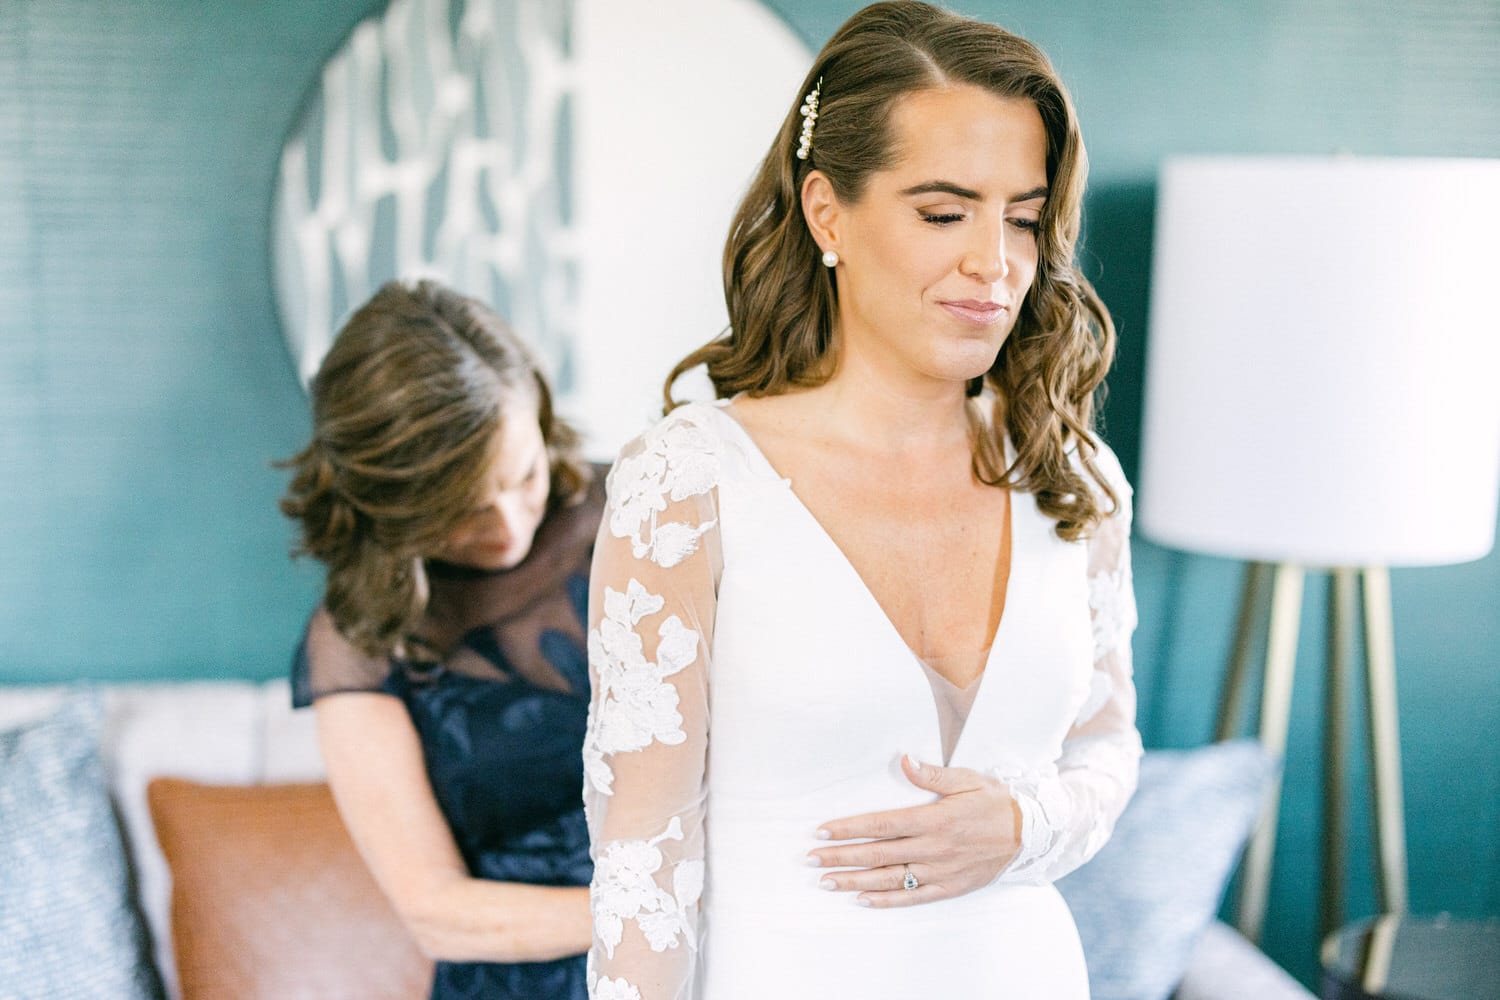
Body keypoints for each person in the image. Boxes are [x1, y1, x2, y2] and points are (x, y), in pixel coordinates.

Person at [580, 2, 1142, 997]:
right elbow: (643, 866)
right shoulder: (690, 482)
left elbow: (1105, 746)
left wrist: (1027, 823)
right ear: (826, 211)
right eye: (943, 212)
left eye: (1022, 215)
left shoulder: (1076, 475)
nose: (995, 262)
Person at [281, 279, 599, 999]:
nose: (507, 526)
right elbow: (439, 914)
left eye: (523, 476)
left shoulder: (647, 512)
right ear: (389, 501)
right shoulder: (356, 638)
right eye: (459, 511)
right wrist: (671, 915)